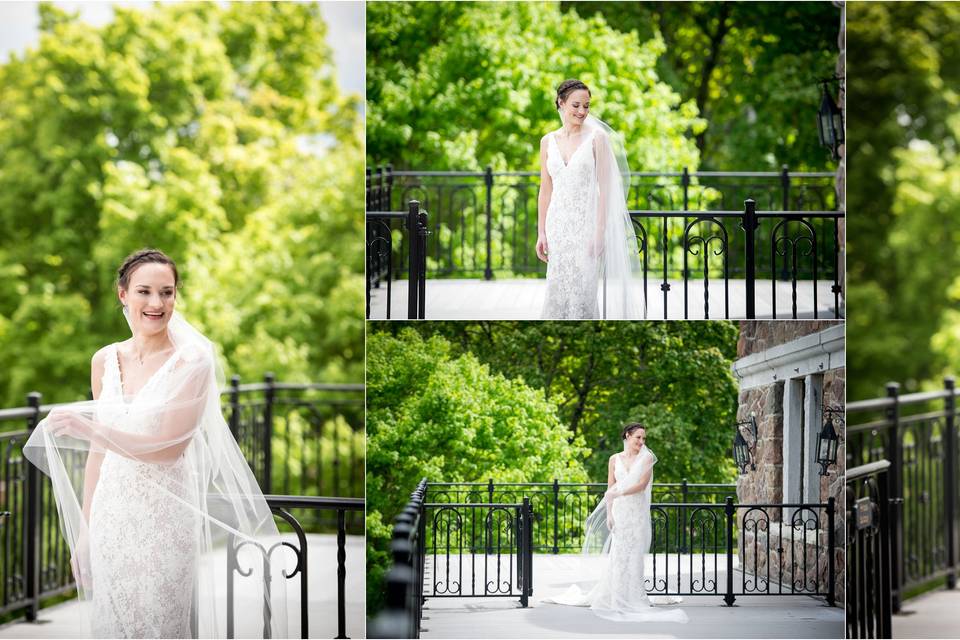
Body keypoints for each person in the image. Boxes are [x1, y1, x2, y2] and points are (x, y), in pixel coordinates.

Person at [24, 249, 287, 638]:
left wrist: (91, 429)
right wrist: (84, 533)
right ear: (123, 295)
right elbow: (98, 456)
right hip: (111, 517)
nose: (156, 303)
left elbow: (168, 448)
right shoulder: (104, 360)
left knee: (161, 625)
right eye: (145, 291)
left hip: (165, 520)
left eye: (167, 292)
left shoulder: (193, 361)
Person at [543, 423, 687, 623]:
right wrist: (610, 514)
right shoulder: (614, 459)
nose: (641, 442)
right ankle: (616, 595)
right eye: (638, 437)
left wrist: (620, 492)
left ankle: (633, 597)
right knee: (618, 555)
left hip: (636, 513)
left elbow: (641, 485)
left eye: (644, 439)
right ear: (627, 436)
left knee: (634, 556)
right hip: (620, 512)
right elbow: (609, 489)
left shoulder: (646, 458)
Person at [537, 79, 645, 319]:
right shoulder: (547, 141)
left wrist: (600, 231)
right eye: (576, 105)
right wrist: (541, 233)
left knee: (583, 294)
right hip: (557, 227)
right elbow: (545, 190)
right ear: (561, 103)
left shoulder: (597, 138)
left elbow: (606, 188)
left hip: (586, 227)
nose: (582, 111)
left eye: (586, 106)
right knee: (556, 290)